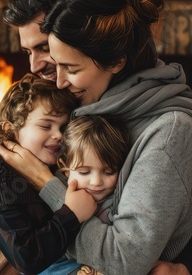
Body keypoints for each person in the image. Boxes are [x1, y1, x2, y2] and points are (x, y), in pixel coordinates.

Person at [0, 0, 192, 273]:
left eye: (44, 48)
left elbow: (184, 201)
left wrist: (190, 263)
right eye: (28, 52)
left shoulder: (93, 105)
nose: (36, 67)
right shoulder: (63, 105)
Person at [0, 73, 96, 274]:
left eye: (63, 127)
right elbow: (27, 256)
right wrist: (70, 215)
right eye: (46, 125)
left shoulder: (54, 163)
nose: (58, 135)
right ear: (10, 130)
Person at [42, 115, 130, 275]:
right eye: (84, 172)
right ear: (66, 167)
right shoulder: (53, 194)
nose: (96, 181)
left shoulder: (122, 199)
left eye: (109, 171)